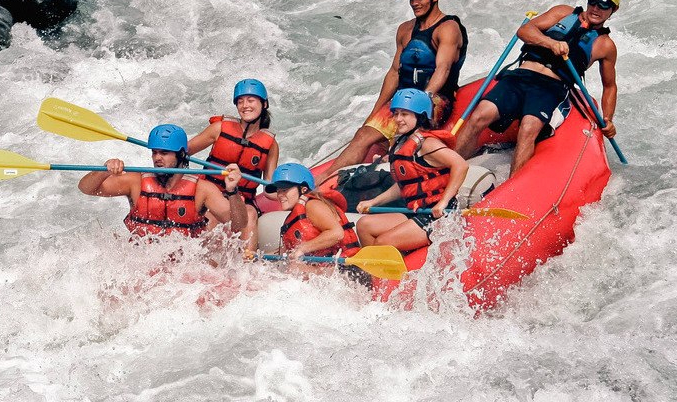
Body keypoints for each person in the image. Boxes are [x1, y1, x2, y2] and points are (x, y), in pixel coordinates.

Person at [454, 0, 622, 176]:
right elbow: (525, 30)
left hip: (550, 88)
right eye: (592, 1)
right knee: (479, 115)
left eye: (604, 5)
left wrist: (607, 118)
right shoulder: (563, 13)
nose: (596, 8)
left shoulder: (605, 45)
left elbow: (609, 86)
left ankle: (510, 194)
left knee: (528, 129)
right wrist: (550, 43)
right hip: (521, 76)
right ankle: (448, 171)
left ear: (614, 10)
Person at [319, 0, 468, 183]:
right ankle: (325, 181)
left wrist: (421, 102)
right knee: (363, 135)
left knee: (404, 142)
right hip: (401, 98)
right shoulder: (405, 30)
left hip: (435, 99)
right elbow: (395, 72)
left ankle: (394, 167)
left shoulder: (448, 28)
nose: (414, 2)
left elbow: (442, 69)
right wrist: (375, 111)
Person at [355, 89, 469, 252]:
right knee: (364, 225)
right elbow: (406, 184)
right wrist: (373, 202)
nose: (398, 119)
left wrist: (444, 201)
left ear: (420, 116)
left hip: (437, 215)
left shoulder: (427, 144)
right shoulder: (401, 143)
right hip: (415, 210)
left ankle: (390, 274)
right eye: (396, 114)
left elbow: (461, 165)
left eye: (405, 114)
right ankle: (376, 275)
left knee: (382, 242)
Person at [78, 124, 233, 239]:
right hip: (142, 260)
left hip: (182, 266)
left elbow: (237, 224)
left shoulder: (203, 189)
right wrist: (104, 170)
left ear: (180, 155)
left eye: (164, 153)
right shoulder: (136, 181)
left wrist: (233, 191)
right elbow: (86, 188)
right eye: (155, 152)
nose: (157, 158)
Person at [188, 78, 280, 249]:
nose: (245, 105)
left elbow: (269, 187)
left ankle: (247, 265)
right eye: (240, 101)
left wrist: (291, 192)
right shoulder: (219, 128)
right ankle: (203, 262)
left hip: (242, 199)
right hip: (210, 195)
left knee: (251, 213)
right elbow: (185, 151)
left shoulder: (270, 145)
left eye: (251, 100)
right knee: (215, 214)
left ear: (264, 104)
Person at [229, 163, 360, 273]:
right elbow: (287, 252)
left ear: (303, 189)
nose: (280, 195)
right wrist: (258, 258)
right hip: (328, 269)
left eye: (285, 190)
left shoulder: (313, 205)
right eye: (279, 191)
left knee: (294, 269)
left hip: (347, 269)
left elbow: (337, 233)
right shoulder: (295, 215)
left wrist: (302, 248)